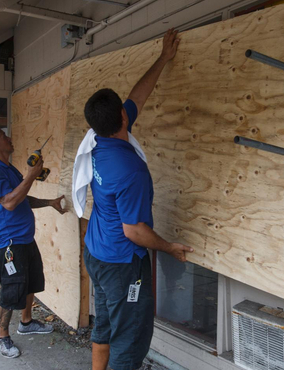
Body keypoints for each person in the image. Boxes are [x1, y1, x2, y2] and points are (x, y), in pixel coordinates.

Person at [77, 29, 193, 370]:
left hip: (96, 253)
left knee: (105, 326)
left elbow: (136, 98)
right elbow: (134, 231)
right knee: (129, 342)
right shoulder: (130, 170)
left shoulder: (96, 141)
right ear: (122, 119)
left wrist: (163, 58)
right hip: (121, 266)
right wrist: (169, 247)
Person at [0, 125, 67, 358]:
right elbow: (9, 202)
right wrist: (30, 175)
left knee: (30, 282)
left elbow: (22, 197)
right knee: (12, 288)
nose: (10, 138)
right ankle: (2, 337)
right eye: (4, 136)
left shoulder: (8, 168)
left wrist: (49, 202)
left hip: (24, 238)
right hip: (8, 242)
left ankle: (26, 323)